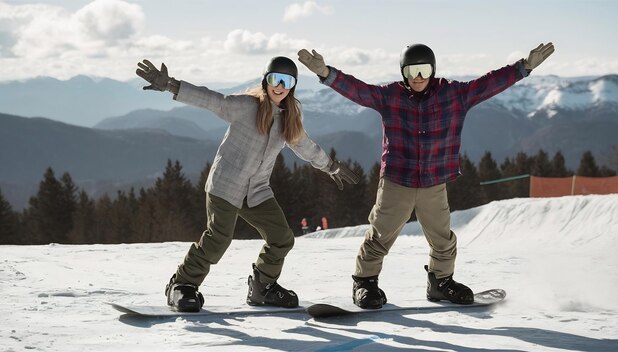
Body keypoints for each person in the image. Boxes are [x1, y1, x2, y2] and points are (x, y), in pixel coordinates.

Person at [298, 42, 555, 309]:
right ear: (403, 73)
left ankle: (441, 283)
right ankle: (365, 283)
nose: (418, 77)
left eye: (423, 70)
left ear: (432, 70)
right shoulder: (389, 96)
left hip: (434, 182)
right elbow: (358, 90)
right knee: (380, 236)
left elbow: (488, 84)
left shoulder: (454, 94)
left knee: (442, 238)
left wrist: (523, 67)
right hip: (397, 181)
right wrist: (327, 73)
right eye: (412, 71)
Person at [136, 56, 359, 312]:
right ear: (266, 80)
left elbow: (305, 146)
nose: (280, 86)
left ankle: (262, 287)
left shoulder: (289, 118)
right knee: (218, 239)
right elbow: (212, 100)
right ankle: (182, 285)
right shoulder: (246, 106)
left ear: (293, 86)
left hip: (257, 190)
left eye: (287, 81)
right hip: (226, 185)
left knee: (282, 238)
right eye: (275, 79)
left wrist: (330, 166)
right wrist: (171, 85)